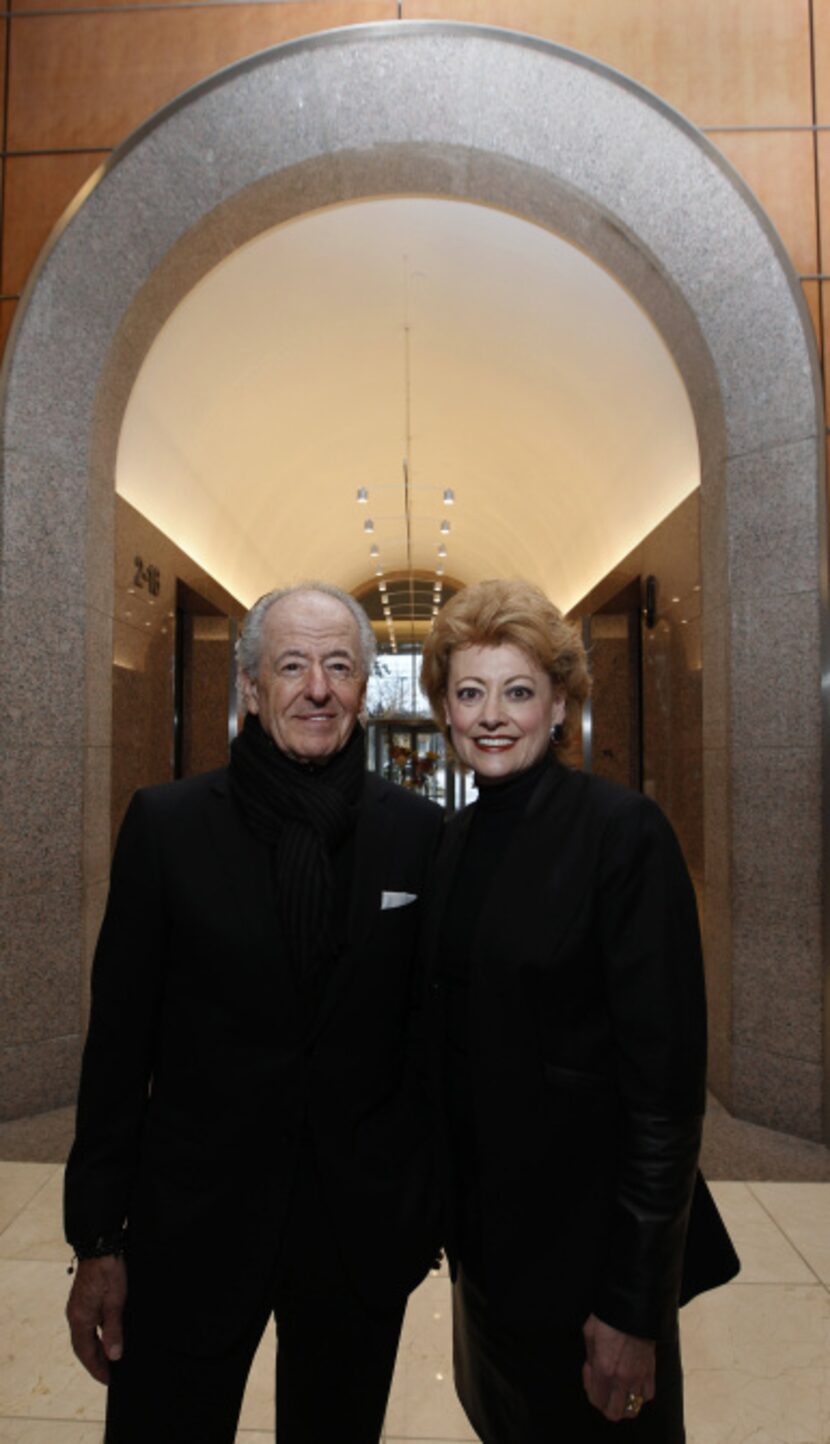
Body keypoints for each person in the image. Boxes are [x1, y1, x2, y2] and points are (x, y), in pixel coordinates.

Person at [64, 582, 444, 1444]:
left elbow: (432, 1040)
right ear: (248, 687)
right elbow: (119, 1050)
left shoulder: (417, 834)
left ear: (364, 687)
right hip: (191, 1231)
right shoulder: (166, 827)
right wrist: (97, 1239)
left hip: (355, 1239)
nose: (318, 688)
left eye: (340, 666)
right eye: (293, 665)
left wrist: (420, 1207)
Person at [419, 578, 739, 1442]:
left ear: (559, 704)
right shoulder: (454, 841)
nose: (493, 715)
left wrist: (633, 1308)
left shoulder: (624, 835)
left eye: (518, 692)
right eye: (470, 691)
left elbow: (665, 1098)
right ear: (444, 706)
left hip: (590, 1269)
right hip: (488, 1264)